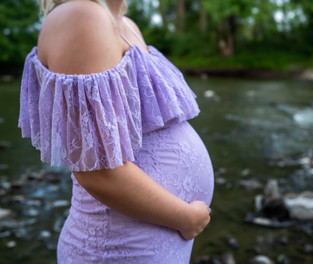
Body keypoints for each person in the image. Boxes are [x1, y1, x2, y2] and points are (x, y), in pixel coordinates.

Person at [18, 0, 214, 263]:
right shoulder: (81, 15)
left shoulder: (125, 25)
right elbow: (98, 171)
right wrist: (185, 217)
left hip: (152, 241)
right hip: (119, 249)